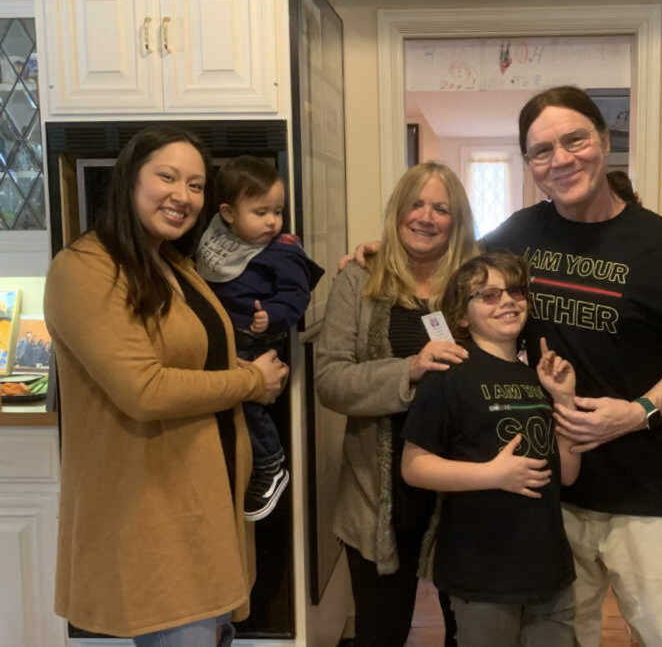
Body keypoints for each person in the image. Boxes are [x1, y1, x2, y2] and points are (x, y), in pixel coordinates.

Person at [479, 85, 662, 646]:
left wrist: (639, 410)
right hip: (554, 490)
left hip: (652, 493)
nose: (561, 159)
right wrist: (378, 253)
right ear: (529, 164)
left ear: (604, 140)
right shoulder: (518, 235)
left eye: (575, 140)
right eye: (541, 150)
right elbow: (452, 276)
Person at [44, 126, 289, 646]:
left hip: (205, 507)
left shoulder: (172, 263)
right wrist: (250, 381)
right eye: (168, 177)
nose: (183, 196)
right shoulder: (85, 269)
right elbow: (143, 389)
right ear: (130, 178)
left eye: (197, 185)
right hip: (156, 514)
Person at [316, 161, 478, 647]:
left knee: (470, 633)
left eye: (441, 208)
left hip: (464, 494)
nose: (426, 217)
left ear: (458, 220)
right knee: (381, 633)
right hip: (379, 495)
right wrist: (408, 369)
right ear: (398, 210)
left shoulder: (475, 281)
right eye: (416, 203)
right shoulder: (359, 281)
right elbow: (330, 380)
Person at [401, 251, 581, 647]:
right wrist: (494, 475)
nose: (507, 301)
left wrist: (564, 400)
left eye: (516, 292)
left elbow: (566, 473)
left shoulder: (537, 377)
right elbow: (414, 467)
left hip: (550, 568)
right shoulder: (450, 373)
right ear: (462, 316)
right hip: (482, 573)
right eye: (488, 295)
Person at [196, 155, 323, 521]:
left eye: (277, 211)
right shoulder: (216, 239)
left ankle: (271, 463)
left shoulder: (282, 251)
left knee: (248, 404)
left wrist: (273, 316)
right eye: (260, 211)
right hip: (223, 339)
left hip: (256, 340)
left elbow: (297, 296)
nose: (272, 221)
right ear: (228, 214)